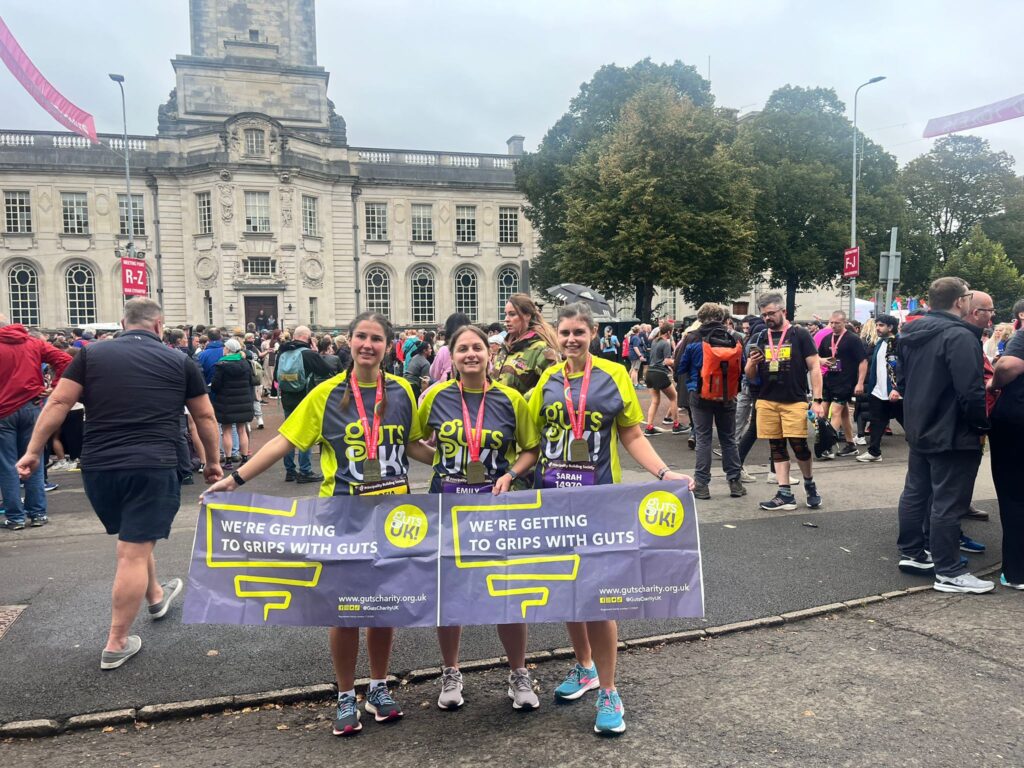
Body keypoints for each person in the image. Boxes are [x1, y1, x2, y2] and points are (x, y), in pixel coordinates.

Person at [203, 312, 422, 736]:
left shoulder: (403, 391)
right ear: (350, 342)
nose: (367, 345)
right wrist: (236, 478)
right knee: (344, 611)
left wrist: (469, 467)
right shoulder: (326, 393)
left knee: (383, 609)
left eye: (376, 338)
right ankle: (344, 694)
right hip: (341, 515)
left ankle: (378, 687)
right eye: (361, 336)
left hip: (393, 518)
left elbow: (412, 444)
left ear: (387, 346)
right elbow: (286, 438)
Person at [17, 299, 221, 668]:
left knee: (135, 540)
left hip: (99, 467)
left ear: (124, 323)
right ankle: (116, 641)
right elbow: (204, 415)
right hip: (152, 465)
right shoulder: (179, 361)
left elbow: (59, 401)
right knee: (132, 550)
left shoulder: (91, 355)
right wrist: (212, 462)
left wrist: (34, 451)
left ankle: (156, 596)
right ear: (159, 325)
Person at [528, 302, 694, 735]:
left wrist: (663, 472)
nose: (570, 340)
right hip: (553, 504)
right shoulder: (547, 379)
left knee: (599, 598)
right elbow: (531, 443)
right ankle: (583, 667)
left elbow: (632, 434)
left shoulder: (614, 375)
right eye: (564, 333)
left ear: (593, 333)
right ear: (556, 336)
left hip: (599, 504)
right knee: (567, 592)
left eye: (578, 333)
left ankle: (609, 689)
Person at [410, 324, 542, 711]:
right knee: (448, 593)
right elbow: (411, 440)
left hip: (495, 509)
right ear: (452, 355)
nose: (471, 354)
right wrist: (439, 461)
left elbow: (530, 449)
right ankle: (450, 672)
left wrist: (510, 474)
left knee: (508, 592)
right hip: (446, 509)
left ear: (489, 354)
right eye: (463, 348)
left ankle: (518, 673)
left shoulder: (510, 399)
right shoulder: (434, 396)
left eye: (478, 348)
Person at [895, 277, 992, 594]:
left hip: (920, 426)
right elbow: (971, 391)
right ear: (961, 301)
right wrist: (980, 426)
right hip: (951, 431)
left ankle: (912, 553)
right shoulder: (959, 336)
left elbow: (905, 380)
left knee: (916, 493)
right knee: (947, 504)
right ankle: (949, 571)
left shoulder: (909, 333)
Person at [744, 293, 826, 511]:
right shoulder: (761, 336)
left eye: (771, 313)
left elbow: (815, 367)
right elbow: (749, 375)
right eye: (764, 315)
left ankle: (809, 484)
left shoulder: (799, 334)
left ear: (783, 312)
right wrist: (752, 362)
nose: (767, 318)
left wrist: (817, 400)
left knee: (799, 446)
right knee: (776, 447)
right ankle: (784, 494)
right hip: (767, 400)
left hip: (794, 400)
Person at [0, 314, 71, 530]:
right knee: (34, 458)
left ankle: (15, 517)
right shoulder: (32, 342)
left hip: (3, 411)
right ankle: (38, 513)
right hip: (32, 407)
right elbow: (66, 360)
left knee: (8, 465)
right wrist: (55, 386)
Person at [677, 303, 746, 499]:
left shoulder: (692, 338)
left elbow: (680, 367)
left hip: (700, 395)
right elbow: (742, 367)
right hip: (728, 395)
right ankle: (735, 482)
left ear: (701, 318)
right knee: (728, 439)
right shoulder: (734, 338)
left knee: (703, 439)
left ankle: (701, 485)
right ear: (723, 318)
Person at [275, 326, 334, 483]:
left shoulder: (282, 352)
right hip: (305, 396)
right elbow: (325, 370)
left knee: (288, 433)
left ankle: (290, 471)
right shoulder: (307, 354)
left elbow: (276, 375)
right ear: (308, 339)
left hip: (287, 396)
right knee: (305, 434)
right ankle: (305, 471)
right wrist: (315, 352)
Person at [989, 323, 1024, 589]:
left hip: (1016, 419)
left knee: (1014, 495)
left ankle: (1016, 572)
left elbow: (1007, 366)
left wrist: (993, 383)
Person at [817, 311, 867, 458]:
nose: (833, 325)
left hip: (845, 381)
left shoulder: (853, 339)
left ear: (844, 322)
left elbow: (863, 361)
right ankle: (851, 444)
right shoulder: (827, 339)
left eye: (837, 323)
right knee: (831, 412)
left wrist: (860, 383)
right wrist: (821, 361)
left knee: (836, 411)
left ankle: (827, 446)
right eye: (831, 322)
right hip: (829, 379)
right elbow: (817, 356)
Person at [856, 315, 903, 464]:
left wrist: (897, 388)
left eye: (881, 325)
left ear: (890, 327)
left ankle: (923, 448)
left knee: (908, 422)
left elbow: (902, 368)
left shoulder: (899, 343)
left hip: (895, 393)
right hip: (879, 392)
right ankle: (874, 451)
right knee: (877, 422)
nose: (877, 328)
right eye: (877, 325)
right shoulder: (880, 343)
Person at [493, 294, 559, 397]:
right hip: (497, 411)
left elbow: (553, 383)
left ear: (527, 316)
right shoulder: (504, 347)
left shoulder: (541, 349)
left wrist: (522, 402)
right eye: (505, 314)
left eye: (512, 314)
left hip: (524, 411)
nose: (506, 319)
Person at [210, 338, 258, 465]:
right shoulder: (245, 363)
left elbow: (215, 385)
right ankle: (244, 457)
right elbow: (250, 382)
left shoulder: (222, 365)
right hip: (243, 401)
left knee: (226, 431)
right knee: (241, 430)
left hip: (226, 402)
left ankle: (228, 460)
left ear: (228, 349)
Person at [641, 321, 682, 436]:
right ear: (669, 332)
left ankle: (649, 427)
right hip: (659, 373)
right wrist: (677, 362)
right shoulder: (665, 343)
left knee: (655, 401)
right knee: (674, 397)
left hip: (649, 373)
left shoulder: (655, 341)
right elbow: (667, 361)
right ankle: (676, 425)